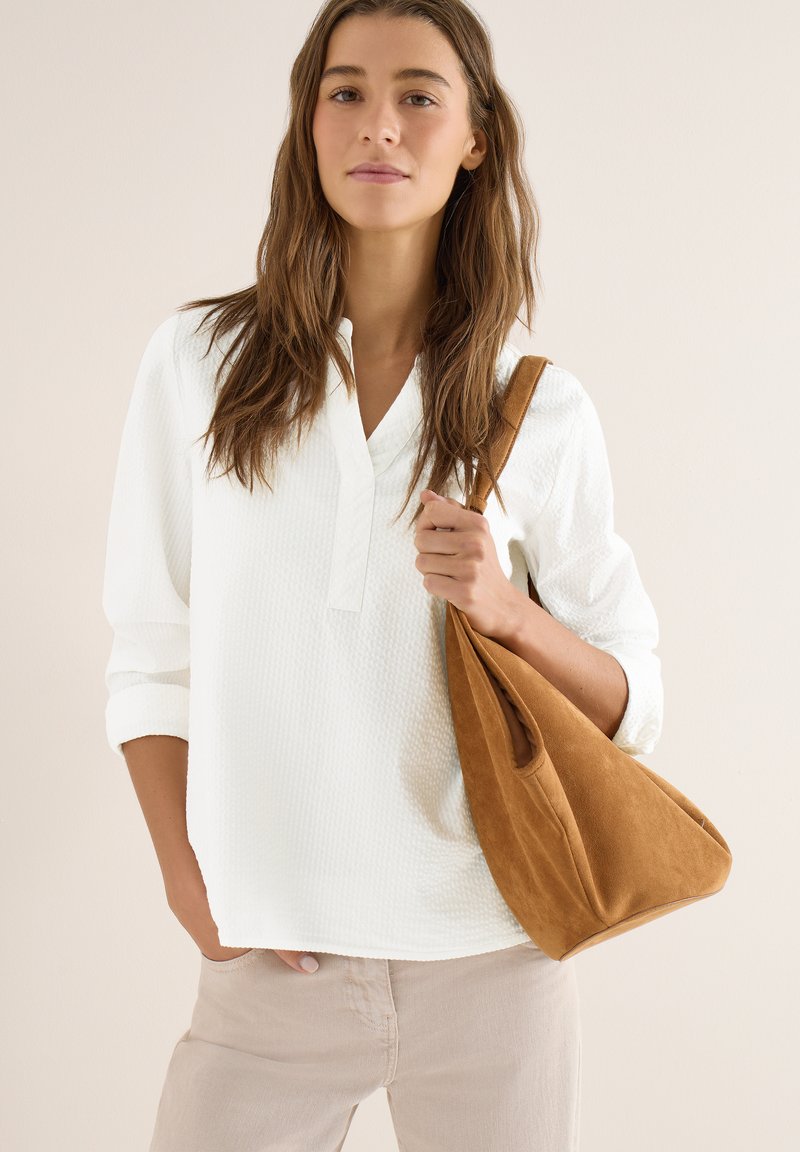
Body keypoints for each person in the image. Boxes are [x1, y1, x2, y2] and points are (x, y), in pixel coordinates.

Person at [101, 2, 663, 1149]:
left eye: (418, 96)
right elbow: (151, 653)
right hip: (271, 965)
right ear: (308, 123)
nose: (379, 126)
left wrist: (507, 613)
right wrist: (187, 881)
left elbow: (631, 701)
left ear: (474, 139)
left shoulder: (536, 406)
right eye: (345, 91)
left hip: (492, 963)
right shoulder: (197, 366)